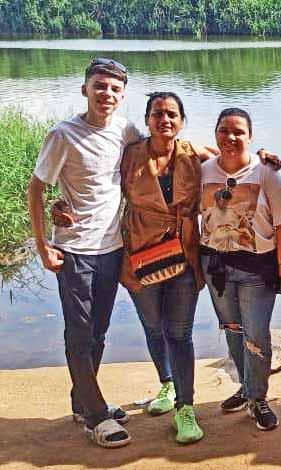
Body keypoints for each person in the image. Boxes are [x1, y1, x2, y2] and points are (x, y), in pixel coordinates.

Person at [27, 58, 141, 448]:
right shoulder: (63, 134)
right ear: (85, 89)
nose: (106, 94)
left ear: (122, 95)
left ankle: (83, 402)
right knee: (79, 333)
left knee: (99, 332)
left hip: (112, 249)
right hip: (74, 250)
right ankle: (96, 417)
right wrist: (42, 245)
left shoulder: (125, 131)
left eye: (114, 89)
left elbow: (168, 147)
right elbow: (37, 188)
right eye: (100, 86)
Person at [200, 108, 281, 431]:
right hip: (216, 267)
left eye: (238, 132)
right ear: (215, 133)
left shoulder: (266, 173)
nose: (231, 137)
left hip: (257, 270)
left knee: (256, 334)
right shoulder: (203, 171)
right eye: (224, 130)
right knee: (232, 329)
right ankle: (246, 387)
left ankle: (258, 398)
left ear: (251, 136)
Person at [119, 92, 208, 444]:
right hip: (140, 255)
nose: (165, 120)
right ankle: (167, 383)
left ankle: (185, 408)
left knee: (180, 334)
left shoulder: (192, 154)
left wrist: (264, 157)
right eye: (158, 113)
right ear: (147, 119)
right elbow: (93, 183)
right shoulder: (130, 155)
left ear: (182, 121)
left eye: (172, 114)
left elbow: (235, 162)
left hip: (184, 256)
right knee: (153, 326)